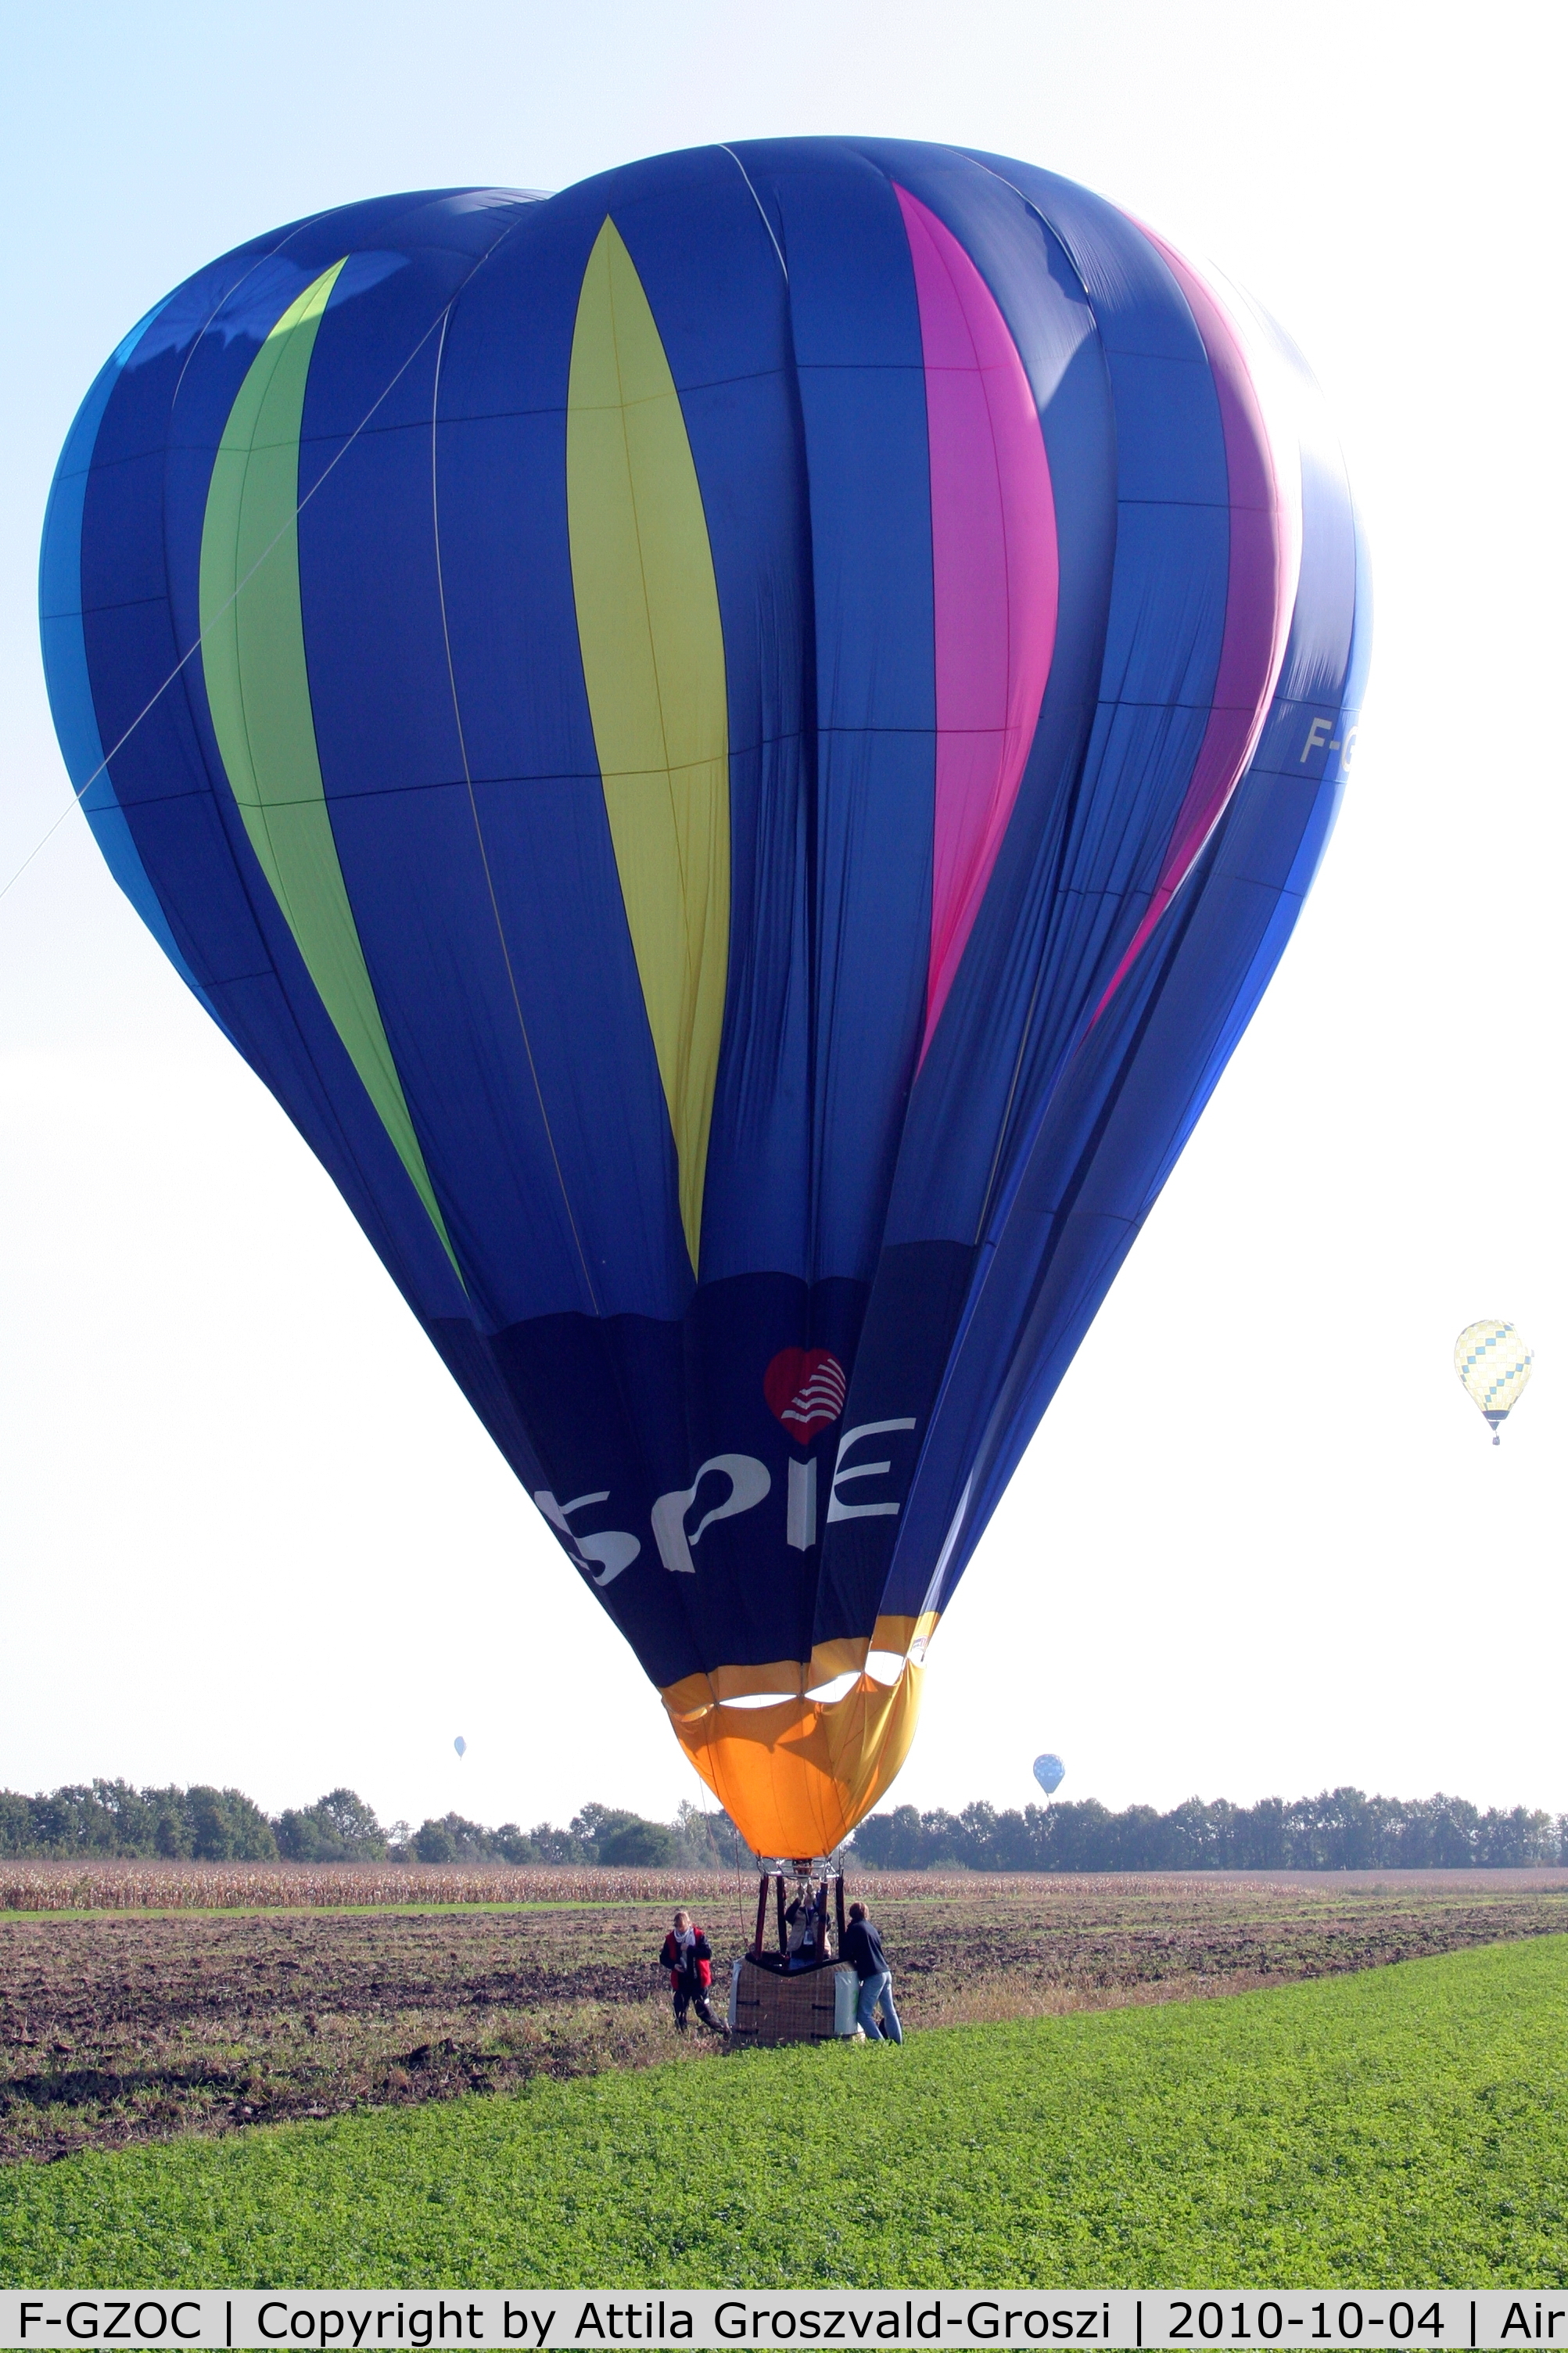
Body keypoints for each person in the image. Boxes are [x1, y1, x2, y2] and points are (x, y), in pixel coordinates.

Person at [842, 1899, 902, 2042]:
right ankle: (899, 2043)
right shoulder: (871, 1928)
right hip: (886, 1972)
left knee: (863, 2015)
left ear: (852, 1914)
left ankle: (879, 2044)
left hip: (873, 1975)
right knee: (889, 2011)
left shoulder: (854, 1929)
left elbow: (846, 1954)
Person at [658, 1908, 721, 2032]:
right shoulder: (671, 1939)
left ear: (689, 1924)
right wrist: (674, 1965)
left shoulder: (698, 1936)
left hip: (698, 1980)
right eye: (677, 1927)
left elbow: (707, 1954)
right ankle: (682, 2038)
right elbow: (663, 1958)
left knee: (703, 2011)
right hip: (681, 1980)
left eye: (682, 1927)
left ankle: (723, 2030)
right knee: (680, 2012)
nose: (680, 1930)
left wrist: (689, 1949)